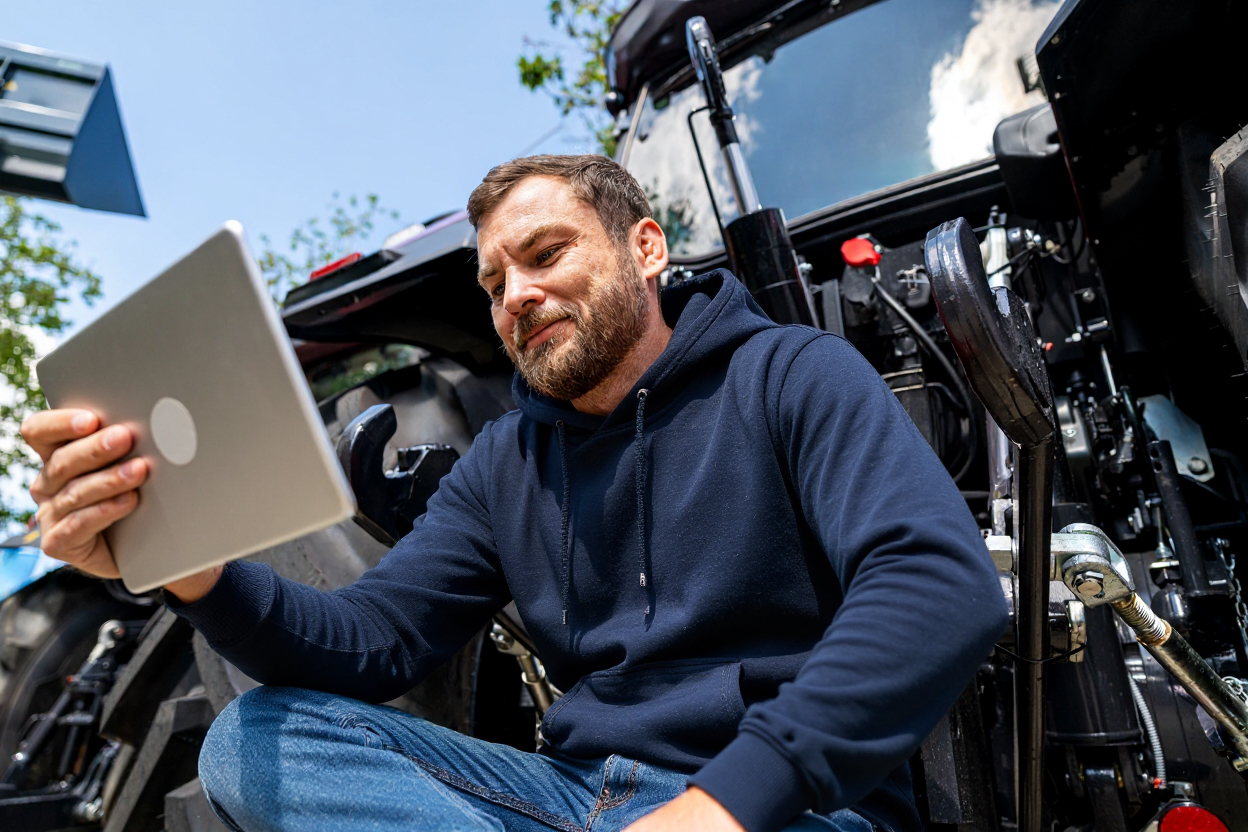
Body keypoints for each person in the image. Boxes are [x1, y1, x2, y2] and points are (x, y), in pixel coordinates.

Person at [21, 155, 1007, 832]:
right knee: (256, 739)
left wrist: (727, 802)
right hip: (571, 798)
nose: (515, 296)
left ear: (646, 249)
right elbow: (371, 640)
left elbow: (936, 585)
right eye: (494, 282)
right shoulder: (506, 460)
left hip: (784, 806)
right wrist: (193, 571)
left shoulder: (790, 374)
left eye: (545, 256)